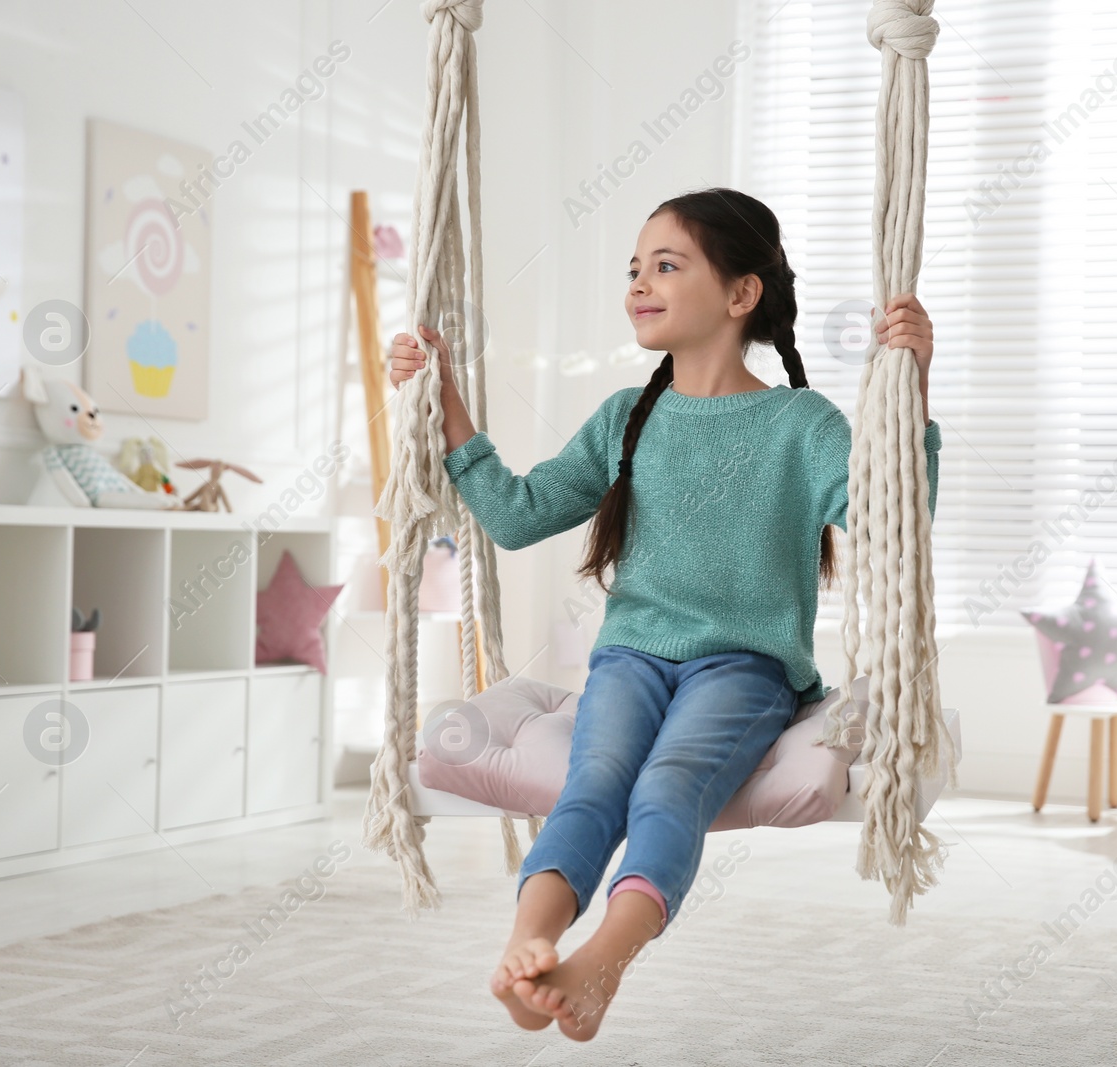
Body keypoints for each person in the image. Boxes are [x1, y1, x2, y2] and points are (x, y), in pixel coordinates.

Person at [387, 187, 940, 1041]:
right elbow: (517, 513)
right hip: (630, 658)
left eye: (666, 265)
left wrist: (913, 389)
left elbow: (896, 518)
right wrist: (444, 398)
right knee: (594, 784)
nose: (639, 284)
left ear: (740, 293)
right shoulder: (626, 419)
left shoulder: (800, 424)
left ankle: (598, 964)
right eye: (634, 269)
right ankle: (529, 944)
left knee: (669, 784)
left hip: (747, 668)